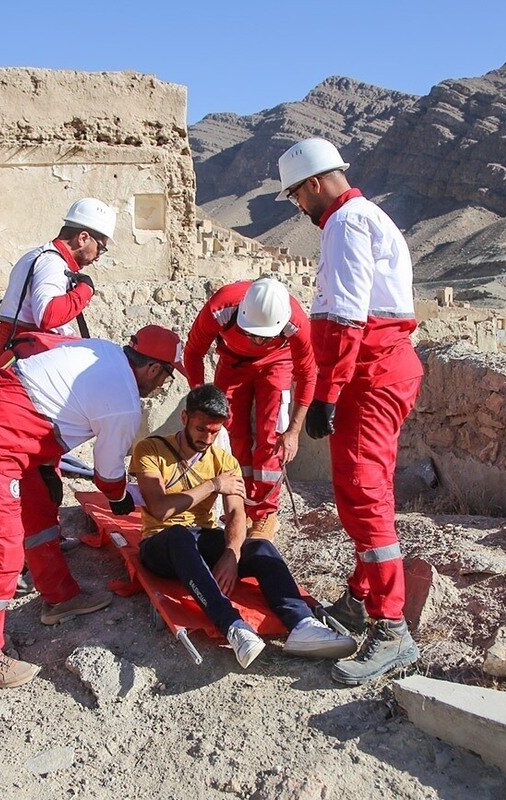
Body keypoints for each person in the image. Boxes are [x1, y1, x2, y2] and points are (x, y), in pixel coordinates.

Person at [0, 325, 185, 689]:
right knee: (1, 554)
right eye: (165, 377)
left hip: (2, 419)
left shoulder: (102, 349)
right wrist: (122, 499)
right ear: (153, 369)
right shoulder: (124, 402)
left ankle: (60, 597)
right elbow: (107, 475)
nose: (162, 386)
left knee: (40, 514)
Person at [276, 137, 425, 685]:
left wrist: (326, 394)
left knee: (363, 493)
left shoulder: (345, 223)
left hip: (370, 374)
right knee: (363, 489)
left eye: (296, 195)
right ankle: (363, 599)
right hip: (380, 369)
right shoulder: (364, 217)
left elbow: (344, 320)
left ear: (314, 184)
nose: (298, 206)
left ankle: (391, 629)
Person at [129, 385, 357, 669]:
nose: (207, 438)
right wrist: (213, 485)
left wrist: (232, 554)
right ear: (185, 418)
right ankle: (233, 626)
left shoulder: (223, 460)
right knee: (178, 536)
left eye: (215, 432)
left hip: (200, 535)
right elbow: (160, 508)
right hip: (160, 542)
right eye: (202, 429)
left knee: (260, 546)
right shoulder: (151, 449)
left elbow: (236, 512)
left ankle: (302, 624)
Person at [183, 278, 315, 541]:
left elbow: (308, 375)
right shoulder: (221, 307)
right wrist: (201, 399)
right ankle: (238, 505)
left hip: (277, 362)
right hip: (232, 361)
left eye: (263, 336)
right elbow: (193, 351)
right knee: (228, 433)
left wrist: (294, 431)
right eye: (251, 333)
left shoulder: (296, 323)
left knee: (272, 434)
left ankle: (264, 513)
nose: (256, 340)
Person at [0, 198, 116, 376]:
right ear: (83, 238)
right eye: (100, 248)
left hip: (16, 360)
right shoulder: (51, 263)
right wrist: (84, 291)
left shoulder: (41, 256)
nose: (98, 257)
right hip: (24, 367)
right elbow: (47, 315)